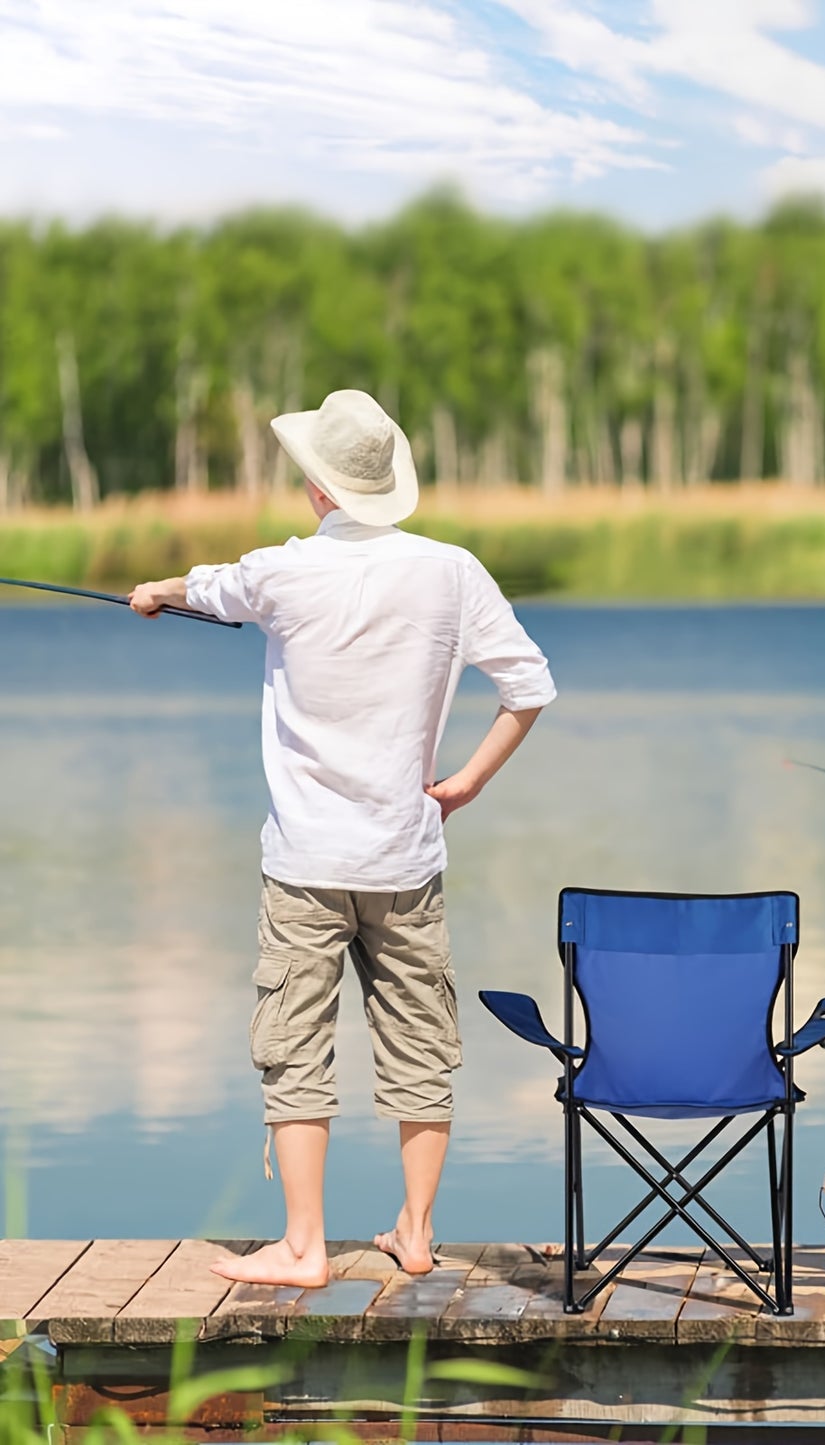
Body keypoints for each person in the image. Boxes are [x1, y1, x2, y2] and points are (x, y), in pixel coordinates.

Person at [129, 389, 557, 1288]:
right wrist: (468, 780)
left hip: (305, 866)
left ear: (319, 488)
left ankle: (303, 1246)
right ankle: (416, 1230)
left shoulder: (278, 572)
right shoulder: (451, 570)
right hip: (408, 859)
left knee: (295, 1047)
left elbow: (202, 588)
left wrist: (154, 594)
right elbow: (529, 687)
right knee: (420, 1045)